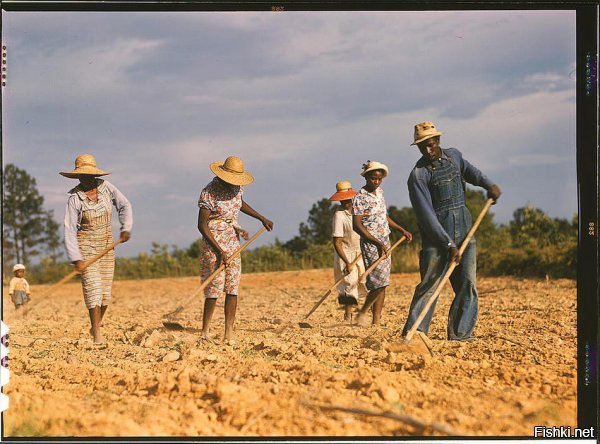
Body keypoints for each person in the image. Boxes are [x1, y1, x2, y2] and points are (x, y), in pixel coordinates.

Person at [401, 121, 501, 341]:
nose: (428, 149)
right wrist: (447, 244)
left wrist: (488, 185)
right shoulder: (418, 175)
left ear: (438, 140)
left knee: (467, 283)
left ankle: (461, 334)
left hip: (465, 230)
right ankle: (415, 334)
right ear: (418, 147)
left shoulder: (454, 156)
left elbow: (471, 172)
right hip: (436, 239)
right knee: (430, 285)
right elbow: (427, 217)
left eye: (431, 143)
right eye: (423, 146)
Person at [197, 155, 273, 343]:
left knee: (232, 286)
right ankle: (205, 331)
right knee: (214, 286)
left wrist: (261, 217)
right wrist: (219, 250)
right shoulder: (209, 192)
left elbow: (239, 204)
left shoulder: (237, 188)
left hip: (232, 240)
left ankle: (228, 332)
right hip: (213, 241)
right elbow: (202, 225)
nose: (233, 184)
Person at [61, 154, 132, 345]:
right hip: (86, 246)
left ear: (94, 174)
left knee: (105, 294)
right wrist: (77, 258)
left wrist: (125, 228)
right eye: (82, 175)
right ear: (77, 177)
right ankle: (98, 334)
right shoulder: (75, 198)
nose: (85, 179)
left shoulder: (106, 188)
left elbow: (124, 205)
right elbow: (69, 229)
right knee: (93, 289)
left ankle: (95, 326)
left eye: (88, 175)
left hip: (108, 246)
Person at [352, 161, 413, 326]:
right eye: (373, 179)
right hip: (371, 243)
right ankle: (363, 312)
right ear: (366, 177)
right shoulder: (360, 197)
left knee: (383, 282)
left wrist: (401, 229)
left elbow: (383, 216)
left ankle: (376, 321)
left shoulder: (380, 192)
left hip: (385, 240)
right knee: (378, 283)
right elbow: (357, 225)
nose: (376, 182)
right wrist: (376, 242)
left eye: (379, 179)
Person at [329, 181, 367, 321]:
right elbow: (337, 243)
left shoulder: (358, 210)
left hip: (360, 252)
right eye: (343, 199)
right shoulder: (339, 215)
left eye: (348, 198)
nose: (347, 201)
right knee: (349, 284)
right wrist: (347, 262)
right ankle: (348, 315)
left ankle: (361, 314)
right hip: (345, 254)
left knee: (363, 282)